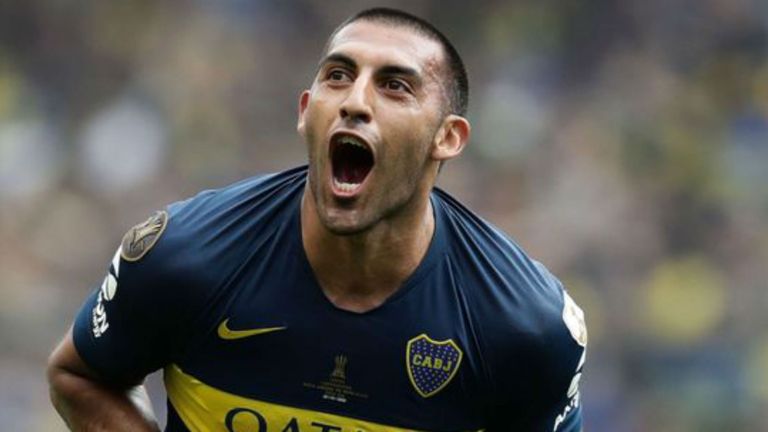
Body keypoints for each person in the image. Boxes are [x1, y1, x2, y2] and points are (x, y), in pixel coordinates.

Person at [47, 7, 587, 432]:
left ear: (447, 137)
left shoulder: (523, 327)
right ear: (307, 109)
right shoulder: (184, 258)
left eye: (394, 85)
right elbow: (79, 375)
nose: (355, 101)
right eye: (338, 76)